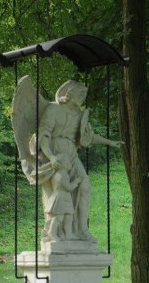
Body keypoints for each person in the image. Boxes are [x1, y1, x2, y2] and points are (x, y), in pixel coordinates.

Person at [29, 80, 122, 242]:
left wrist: (109, 142)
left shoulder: (79, 114)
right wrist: (51, 156)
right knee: (57, 192)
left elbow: (88, 137)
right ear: (69, 93)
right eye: (80, 93)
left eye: (85, 95)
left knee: (84, 185)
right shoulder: (53, 108)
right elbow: (43, 134)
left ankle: (82, 229)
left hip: (71, 153)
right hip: (54, 151)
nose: (83, 97)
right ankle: (55, 230)